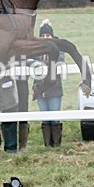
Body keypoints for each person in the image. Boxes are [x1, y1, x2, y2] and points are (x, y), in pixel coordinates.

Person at [32, 19, 65, 147]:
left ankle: (56, 144)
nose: (45, 38)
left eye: (47, 35)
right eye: (43, 36)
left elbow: (60, 61)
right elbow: (30, 62)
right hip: (39, 88)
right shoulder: (35, 50)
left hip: (54, 87)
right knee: (45, 116)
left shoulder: (58, 47)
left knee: (55, 115)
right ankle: (47, 144)